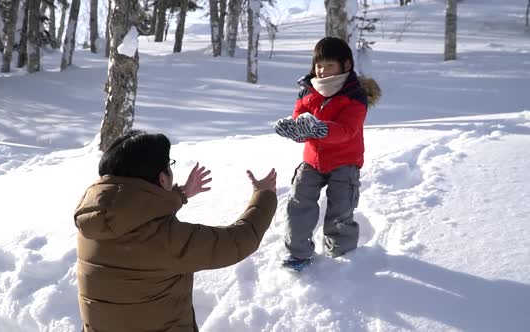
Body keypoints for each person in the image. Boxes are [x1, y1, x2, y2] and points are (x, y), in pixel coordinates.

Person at [74, 130, 277, 332]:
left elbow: (134, 209)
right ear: (162, 179)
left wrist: (179, 194)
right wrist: (264, 196)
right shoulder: (168, 240)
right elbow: (238, 241)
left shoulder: (92, 225)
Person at [274, 37, 381, 272]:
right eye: (319, 65)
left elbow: (347, 130)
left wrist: (319, 128)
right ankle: (298, 255)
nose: (322, 71)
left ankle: (342, 258)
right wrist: (294, 130)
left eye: (329, 65)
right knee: (299, 203)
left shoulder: (355, 95)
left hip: (345, 162)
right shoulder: (307, 91)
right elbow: (302, 122)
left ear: (345, 65)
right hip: (312, 161)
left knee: (340, 211)